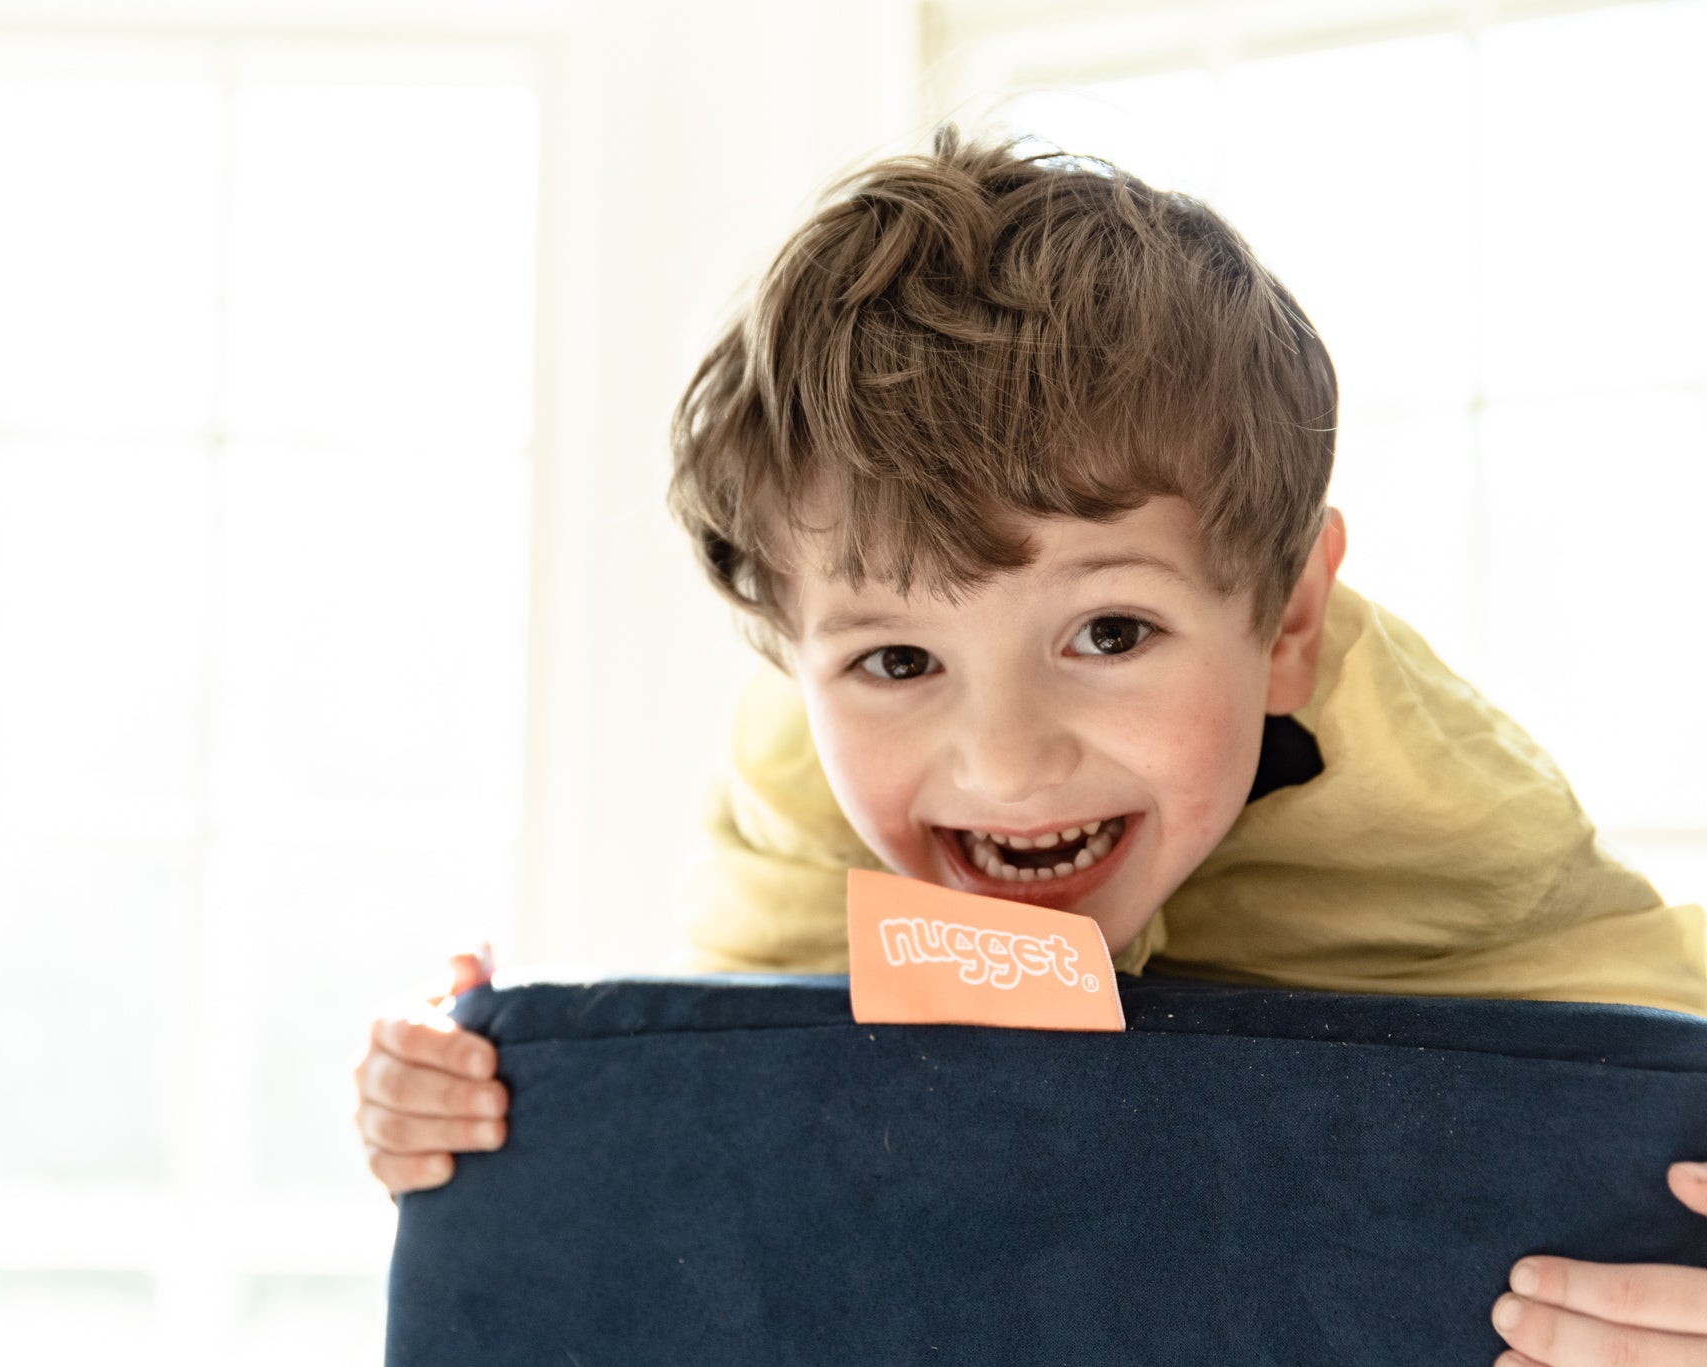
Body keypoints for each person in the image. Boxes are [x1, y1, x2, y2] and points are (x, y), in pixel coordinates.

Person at [353, 126, 1707, 1361]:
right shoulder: (794, 829)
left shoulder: (1472, 863)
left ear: (1289, 620)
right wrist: (473, 1102)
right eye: (895, 661)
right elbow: (725, 1170)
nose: (1003, 766)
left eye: (1110, 633)